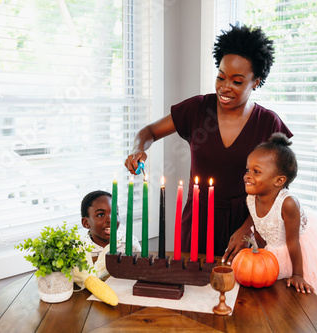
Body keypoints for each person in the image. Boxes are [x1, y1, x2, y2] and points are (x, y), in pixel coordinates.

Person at [125, 25, 292, 263]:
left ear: (256, 82)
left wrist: (249, 228)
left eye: (236, 81)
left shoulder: (268, 123)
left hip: (245, 223)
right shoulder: (196, 109)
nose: (225, 87)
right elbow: (148, 131)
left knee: (241, 293)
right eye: (220, 77)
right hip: (197, 220)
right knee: (191, 289)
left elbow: (279, 187)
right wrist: (138, 149)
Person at [244, 133, 317, 307]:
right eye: (247, 170)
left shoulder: (288, 203)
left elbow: (293, 242)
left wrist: (297, 274)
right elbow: (260, 228)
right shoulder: (251, 198)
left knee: (289, 302)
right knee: (268, 301)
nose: (247, 176)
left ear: (279, 180)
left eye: (256, 171)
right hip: (271, 250)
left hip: (294, 254)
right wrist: (257, 252)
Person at [73, 190, 141, 286]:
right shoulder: (80, 250)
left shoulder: (129, 243)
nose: (111, 219)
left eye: (115, 214)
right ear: (86, 223)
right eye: (101, 215)